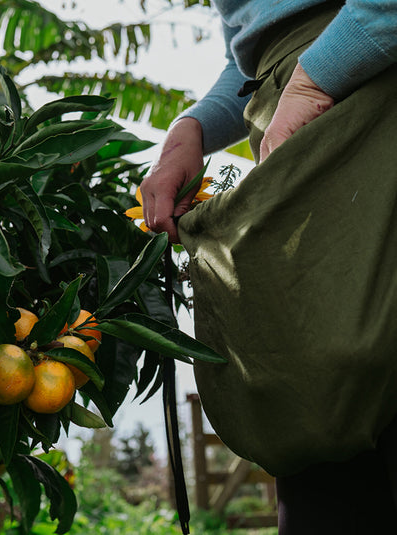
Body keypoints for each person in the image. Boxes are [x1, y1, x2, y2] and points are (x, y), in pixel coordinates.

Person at [140, 1, 397, 533]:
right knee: (319, 425)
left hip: (370, 98)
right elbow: (250, 45)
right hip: (297, 120)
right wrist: (191, 130)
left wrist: (313, 80)